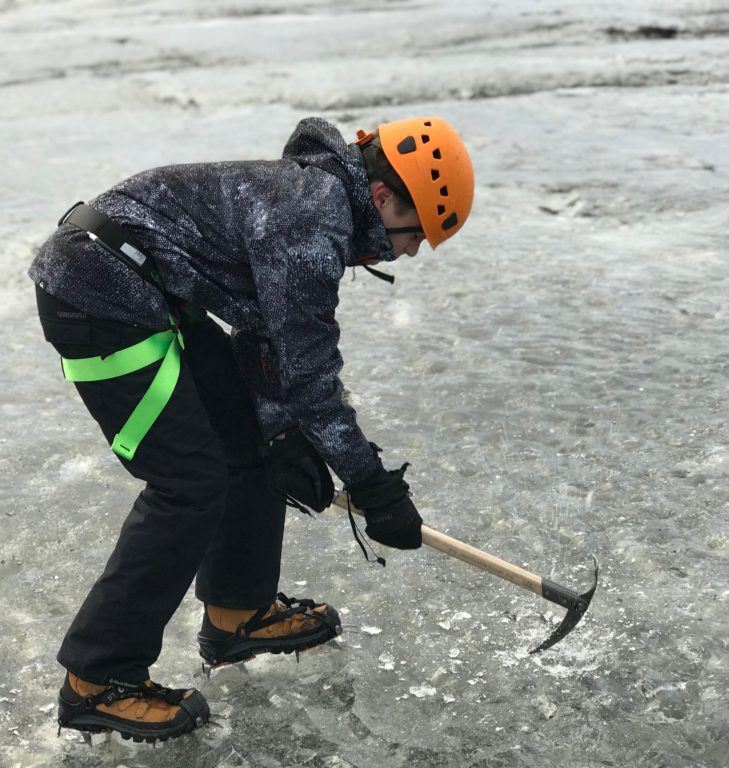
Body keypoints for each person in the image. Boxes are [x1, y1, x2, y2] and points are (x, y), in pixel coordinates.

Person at [28, 116, 474, 743]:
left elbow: (271, 343)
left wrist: (285, 435)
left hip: (152, 284)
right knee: (190, 482)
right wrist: (375, 488)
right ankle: (97, 679)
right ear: (381, 198)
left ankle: (238, 612)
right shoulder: (312, 224)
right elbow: (310, 378)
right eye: (417, 232)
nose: (410, 251)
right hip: (98, 293)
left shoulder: (320, 201)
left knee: (257, 439)